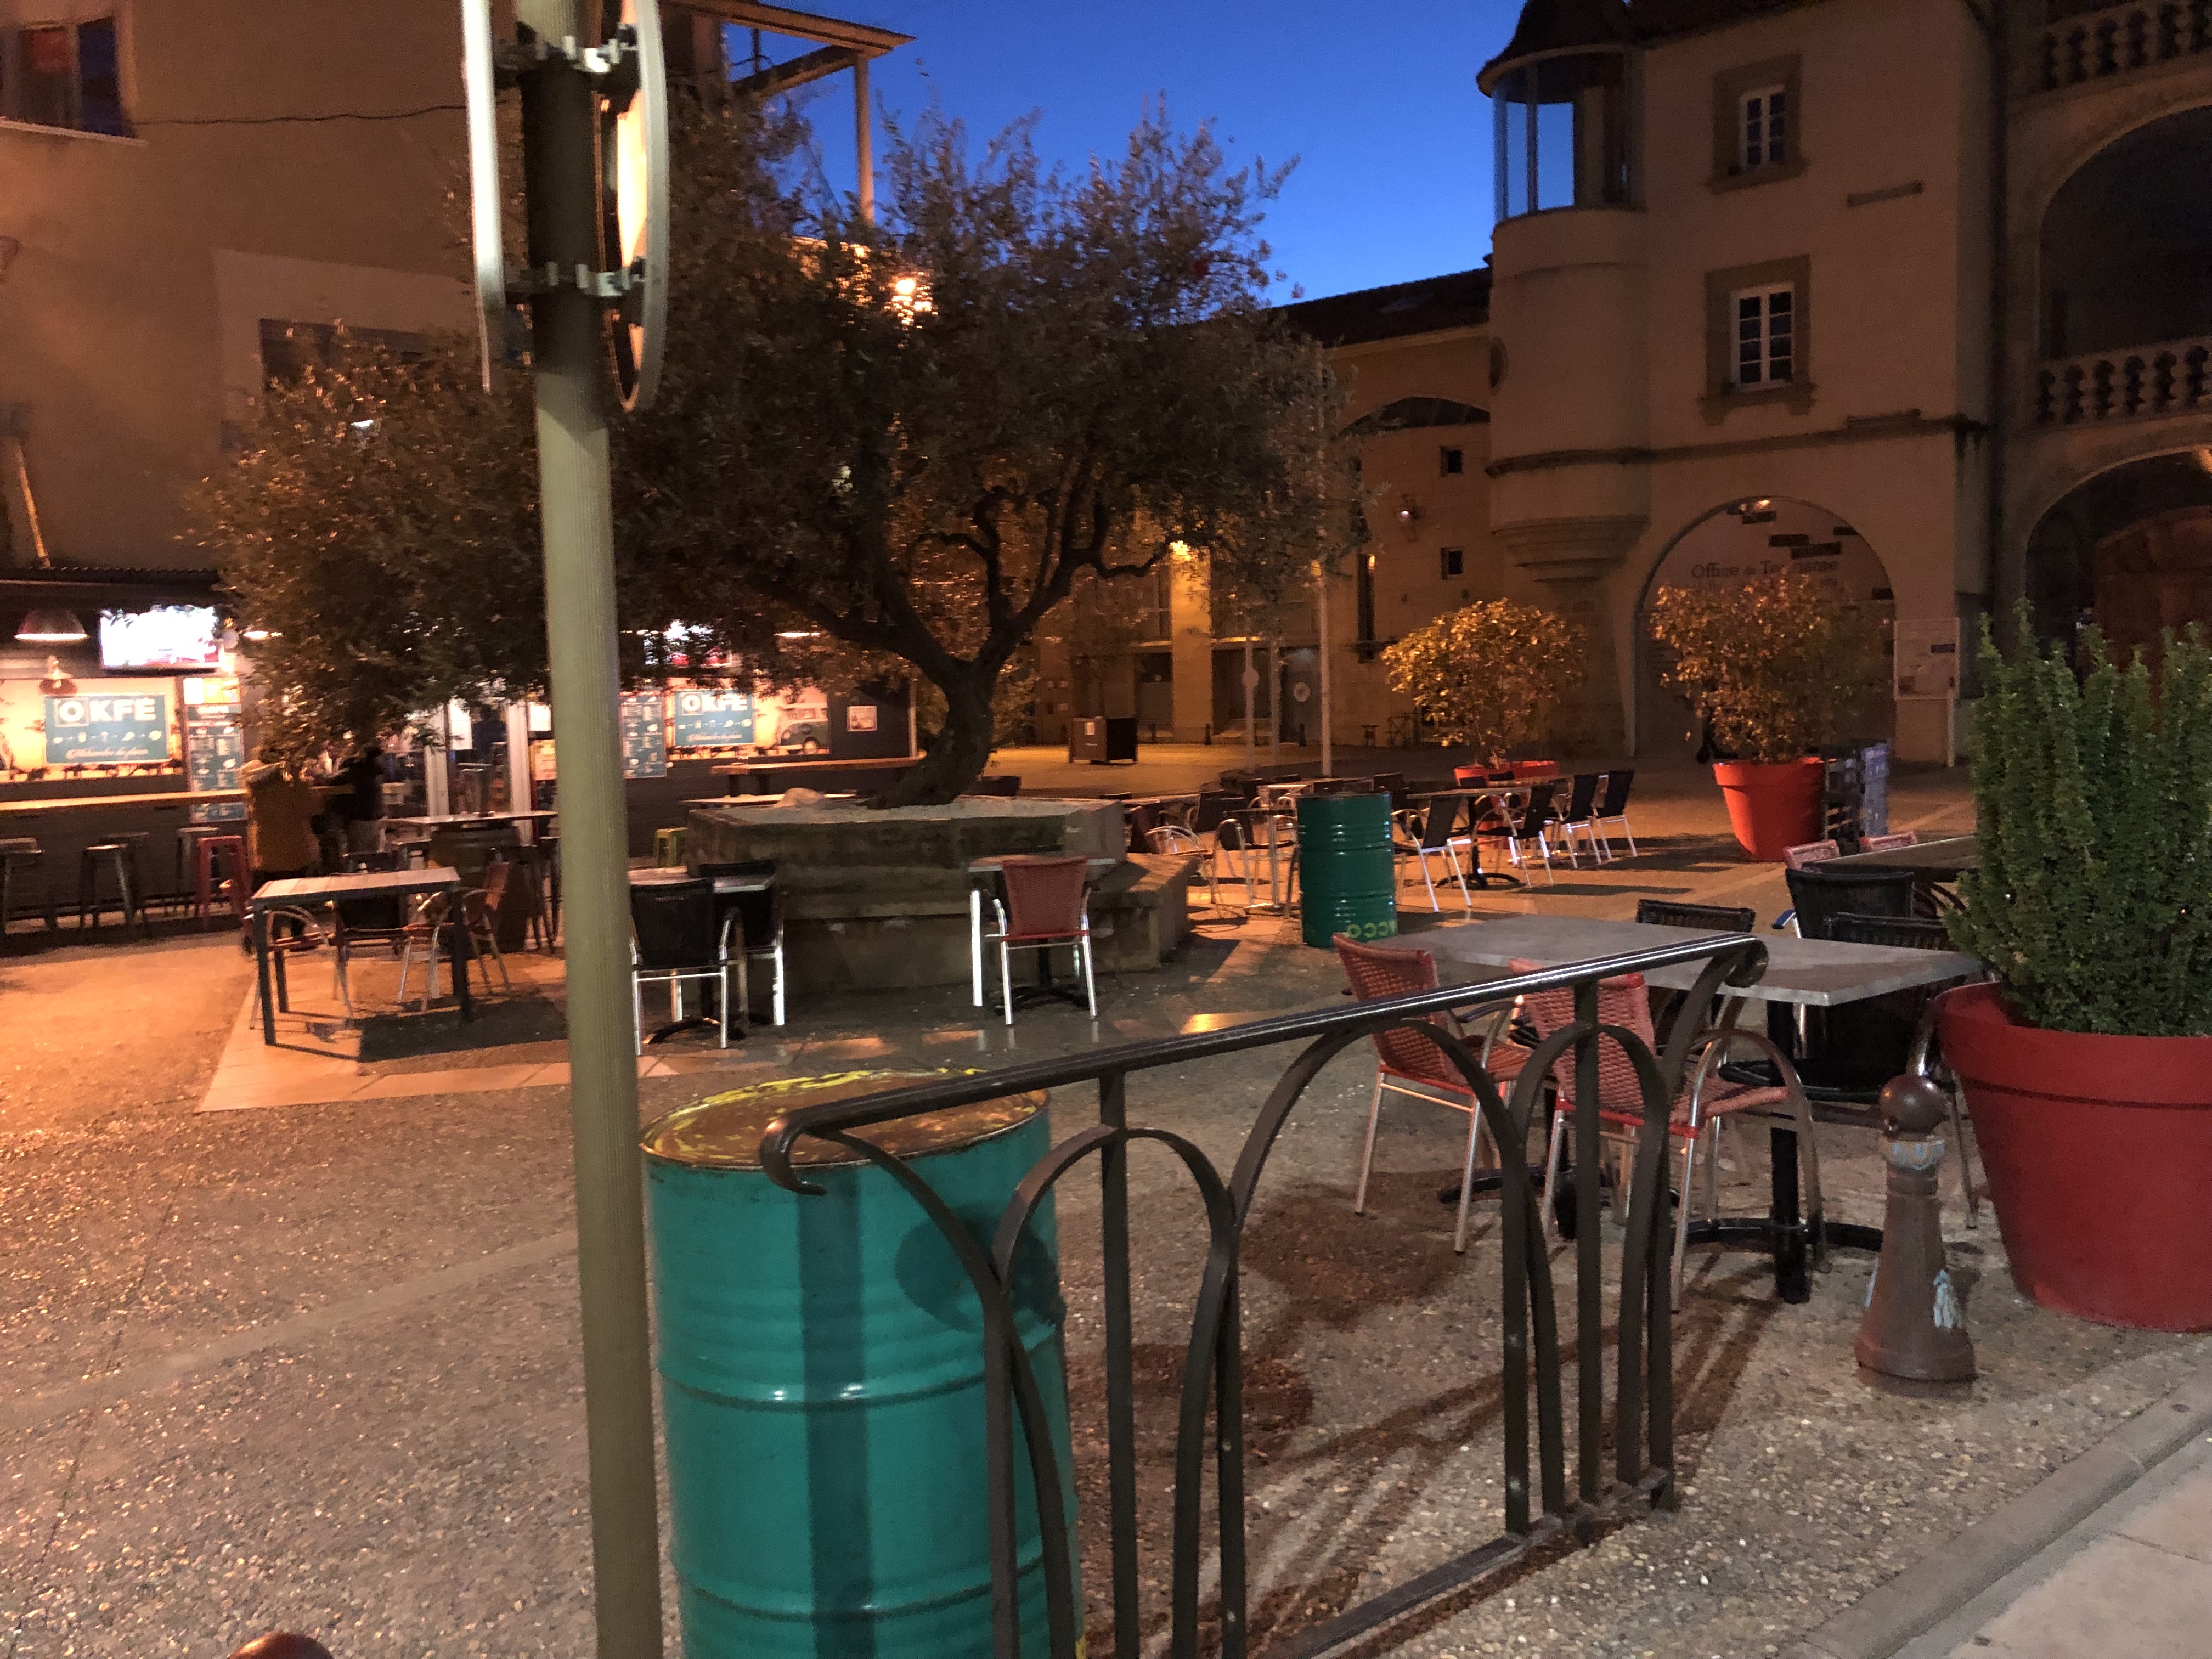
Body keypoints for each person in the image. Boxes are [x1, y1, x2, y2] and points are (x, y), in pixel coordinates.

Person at [242, 747, 323, 937]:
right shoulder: (293, 788)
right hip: (297, 852)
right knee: (299, 896)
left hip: (265, 855)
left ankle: (270, 937)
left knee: (268, 898)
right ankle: (297, 934)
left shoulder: (255, 789)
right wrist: (301, 781)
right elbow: (313, 807)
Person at [331, 744, 388, 855]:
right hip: (380, 815)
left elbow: (335, 780)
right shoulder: (377, 767)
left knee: (358, 854)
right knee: (377, 852)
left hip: (362, 816)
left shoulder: (358, 769)